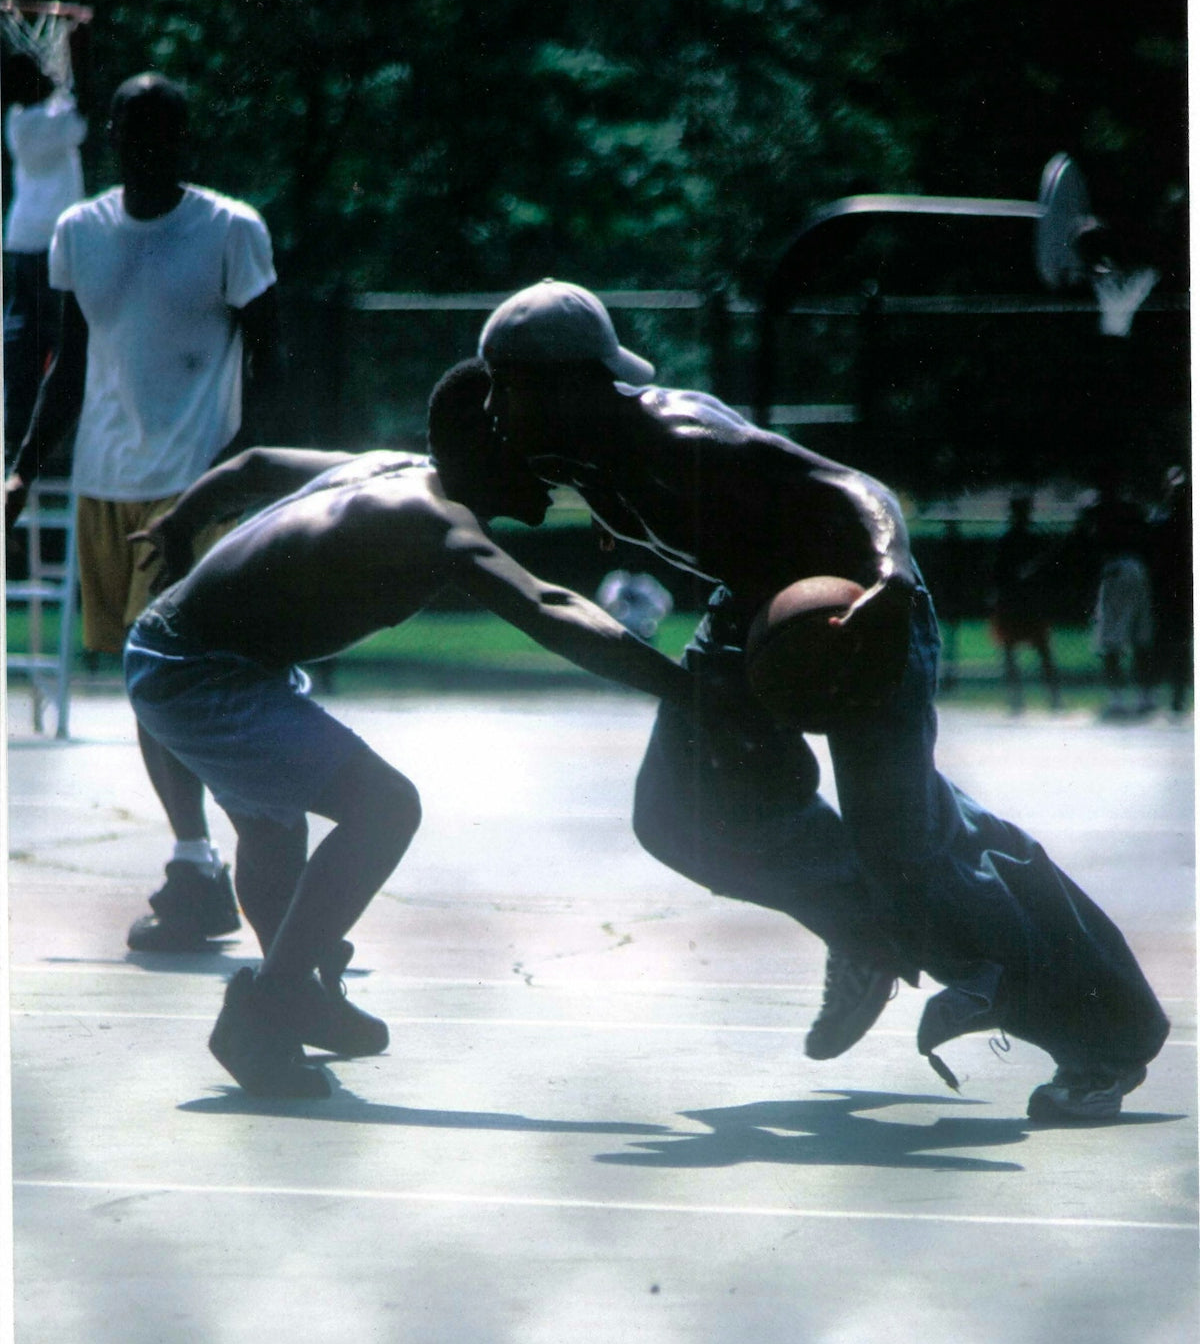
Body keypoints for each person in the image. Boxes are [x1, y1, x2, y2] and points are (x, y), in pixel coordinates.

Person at [477, 279, 1170, 1122]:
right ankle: (866, 928)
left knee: (907, 841)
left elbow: (856, 488)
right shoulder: (575, 447)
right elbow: (454, 433)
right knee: (676, 812)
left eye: (502, 385)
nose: (490, 406)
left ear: (567, 382)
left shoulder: (677, 435)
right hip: (754, 609)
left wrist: (888, 573)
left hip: (857, 607)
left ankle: (1099, 1043)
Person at [121, 358, 697, 1099]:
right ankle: (266, 1010)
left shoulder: (390, 468)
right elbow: (549, 608)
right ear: (486, 447)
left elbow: (254, 465)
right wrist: (685, 689)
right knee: (385, 806)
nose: (554, 476)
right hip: (196, 670)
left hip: (193, 655)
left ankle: (295, 990)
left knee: (272, 830)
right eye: (538, 452)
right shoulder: (434, 526)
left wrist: (180, 523)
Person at [4, 72, 285, 952]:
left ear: (185, 137)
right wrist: (19, 473)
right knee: (147, 687)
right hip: (105, 486)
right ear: (115, 135)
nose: (149, 145)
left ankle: (256, 858)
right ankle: (196, 863)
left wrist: (240, 479)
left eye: (166, 129)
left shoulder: (231, 230)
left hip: (196, 489)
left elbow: (271, 363)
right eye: (134, 128)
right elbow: (69, 366)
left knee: (190, 679)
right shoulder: (79, 233)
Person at [2, 50, 87, 463]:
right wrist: (78, 53)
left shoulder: (20, 120)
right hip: (48, 244)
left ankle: (21, 430)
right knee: (53, 337)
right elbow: (84, 110)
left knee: (29, 337)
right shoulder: (37, 124)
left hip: (26, 243)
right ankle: (32, 432)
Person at [1079, 471, 1155, 720]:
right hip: (1139, 569)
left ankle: (1117, 701)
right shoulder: (1133, 508)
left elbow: (1087, 535)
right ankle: (1145, 699)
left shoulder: (1100, 509)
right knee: (1139, 637)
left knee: (1110, 640)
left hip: (1116, 570)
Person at [989, 494, 1061, 714]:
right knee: (1013, 650)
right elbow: (997, 572)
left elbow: (1046, 571)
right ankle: (1018, 700)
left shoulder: (1033, 537)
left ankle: (1052, 699)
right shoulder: (1008, 538)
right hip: (1014, 600)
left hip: (1027, 601)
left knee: (1041, 649)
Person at [1145, 465, 1192, 718]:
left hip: (1183, 588)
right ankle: (1154, 694)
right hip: (1165, 587)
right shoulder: (1160, 517)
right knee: (1162, 641)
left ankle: (1177, 697)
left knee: (1181, 643)